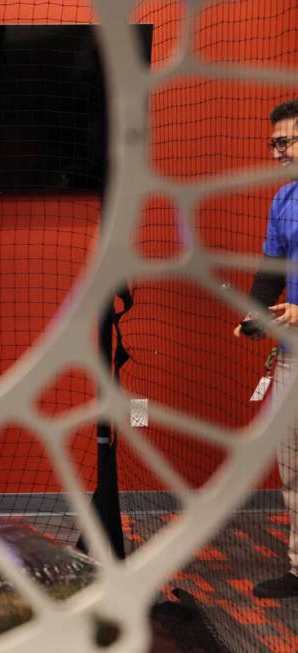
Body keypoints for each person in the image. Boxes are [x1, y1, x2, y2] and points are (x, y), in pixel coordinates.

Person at [234, 98, 298, 599]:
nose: (276, 152)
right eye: (273, 142)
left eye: (285, 141)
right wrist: (255, 315)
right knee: (293, 463)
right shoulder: (284, 199)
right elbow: (270, 272)